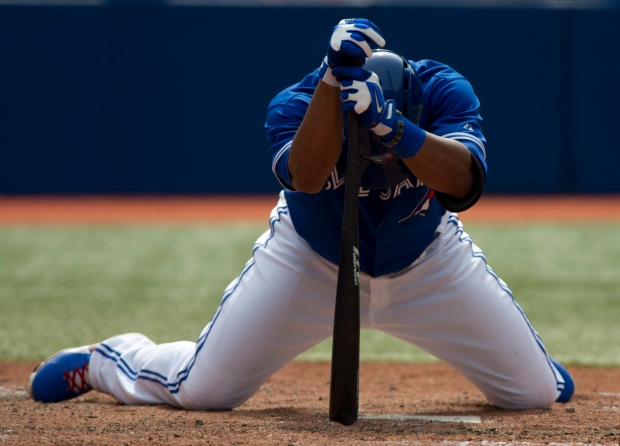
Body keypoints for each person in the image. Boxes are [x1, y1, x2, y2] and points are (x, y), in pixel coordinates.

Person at [28, 18, 574, 410]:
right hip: (312, 260)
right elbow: (308, 178)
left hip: (427, 259)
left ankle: (532, 364)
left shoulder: (441, 89)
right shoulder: (296, 103)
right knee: (201, 391)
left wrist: (394, 129)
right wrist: (334, 89)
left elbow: (465, 185)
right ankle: (107, 359)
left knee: (535, 394)